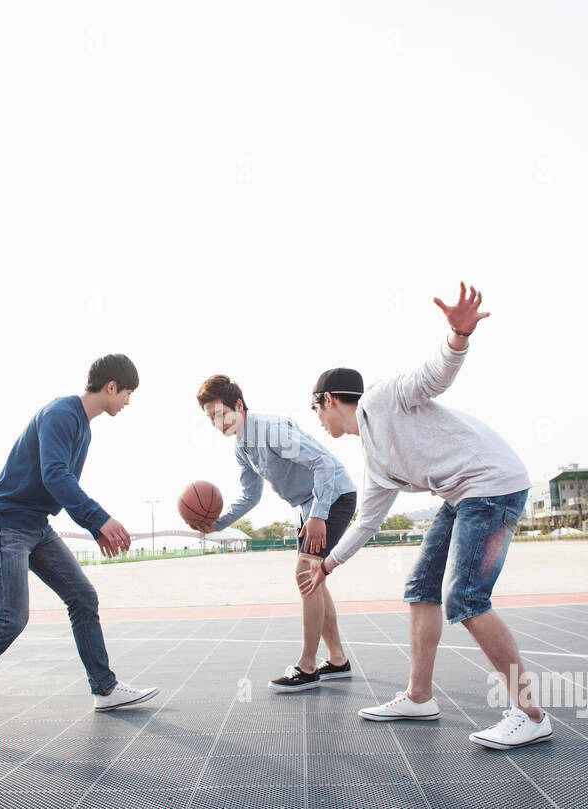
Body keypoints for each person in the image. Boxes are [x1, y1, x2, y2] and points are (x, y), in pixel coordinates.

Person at [297, 281, 551, 749]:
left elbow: (433, 376)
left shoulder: (382, 398)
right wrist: (327, 566)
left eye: (316, 408)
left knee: (466, 597)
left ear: (329, 399)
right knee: (420, 589)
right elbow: (368, 523)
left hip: (493, 486)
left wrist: (458, 337)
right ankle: (418, 697)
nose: (317, 418)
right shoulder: (375, 460)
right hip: (462, 496)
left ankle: (530, 712)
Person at [0, 354, 158, 743]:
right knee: (9, 619)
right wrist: (100, 519)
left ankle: (104, 689)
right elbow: (54, 474)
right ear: (110, 387)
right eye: (127, 393)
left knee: (82, 596)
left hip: (35, 524)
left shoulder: (84, 428)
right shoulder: (61, 412)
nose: (127, 401)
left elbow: (59, 484)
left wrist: (95, 528)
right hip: (6, 522)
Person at [191, 375, 358, 692]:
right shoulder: (242, 447)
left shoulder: (271, 430)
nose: (216, 423)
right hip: (309, 505)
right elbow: (251, 496)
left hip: (333, 496)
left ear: (238, 405)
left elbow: (323, 463)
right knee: (314, 578)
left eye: (219, 413)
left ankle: (307, 667)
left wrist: (320, 514)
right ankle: (337, 660)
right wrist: (218, 524)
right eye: (210, 418)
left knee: (306, 574)